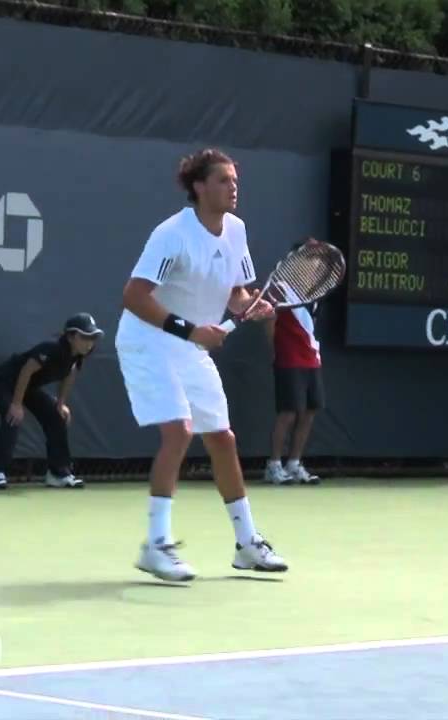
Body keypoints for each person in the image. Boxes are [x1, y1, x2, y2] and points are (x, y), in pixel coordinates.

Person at [116, 147, 288, 582]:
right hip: (148, 340)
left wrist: (253, 305)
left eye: (235, 181)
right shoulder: (172, 233)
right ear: (198, 187)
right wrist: (191, 330)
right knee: (179, 431)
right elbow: (134, 297)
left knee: (223, 439)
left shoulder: (237, 230)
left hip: (190, 347)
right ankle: (155, 545)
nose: (234, 188)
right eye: (224, 181)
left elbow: (238, 293)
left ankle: (247, 543)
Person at [0, 313, 103, 490]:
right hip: (3, 382)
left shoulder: (77, 356)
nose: (89, 342)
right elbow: (26, 371)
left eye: (92, 337)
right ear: (70, 336)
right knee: (13, 418)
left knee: (56, 417)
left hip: (28, 388)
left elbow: (69, 377)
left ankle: (57, 474)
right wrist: (16, 404)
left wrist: (61, 404)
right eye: (84, 337)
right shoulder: (52, 349)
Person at [263, 240, 325, 486]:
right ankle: (274, 466)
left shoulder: (317, 290)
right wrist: (275, 348)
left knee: (309, 413)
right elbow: (268, 319)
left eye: (318, 259)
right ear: (296, 259)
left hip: (312, 358)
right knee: (287, 413)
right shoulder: (279, 287)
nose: (316, 263)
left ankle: (294, 463)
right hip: (288, 358)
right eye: (311, 257)